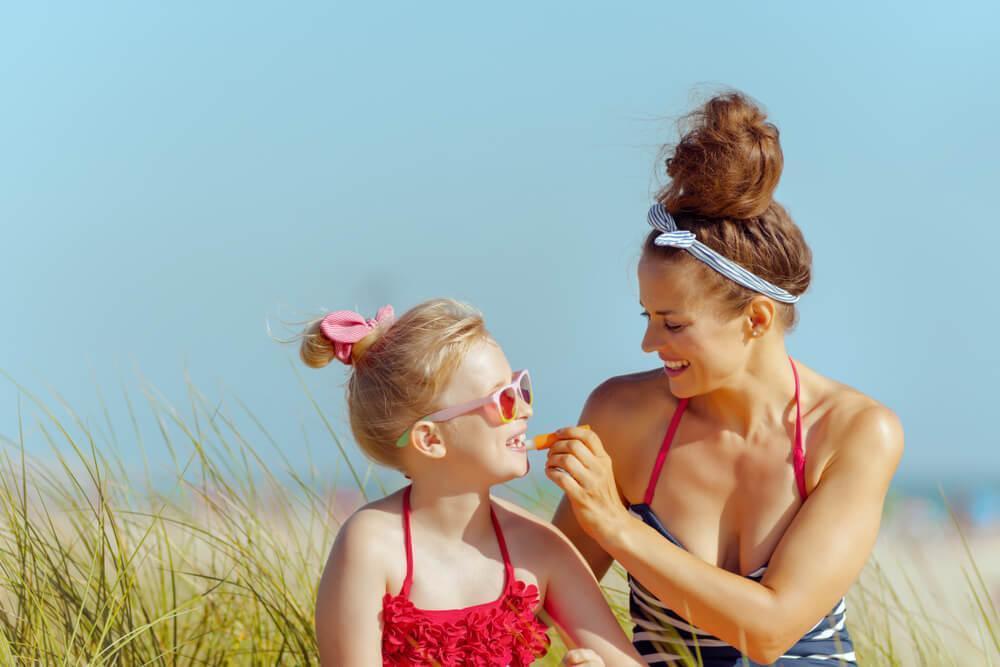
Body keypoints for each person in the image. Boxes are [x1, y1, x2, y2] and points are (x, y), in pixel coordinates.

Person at [544, 92, 904, 666]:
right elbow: (553, 588)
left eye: (674, 323)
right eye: (648, 316)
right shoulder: (622, 415)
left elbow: (770, 631)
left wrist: (617, 525)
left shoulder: (856, 432)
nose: (649, 343)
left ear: (756, 318)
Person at [304, 298, 643, 666]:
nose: (526, 409)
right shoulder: (371, 546)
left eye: (521, 388)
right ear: (430, 439)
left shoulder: (542, 547)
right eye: (503, 399)